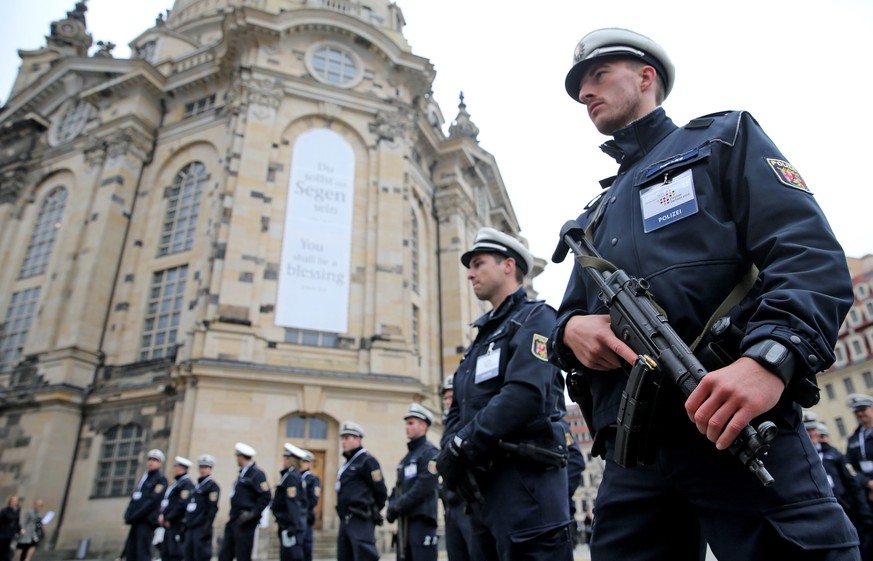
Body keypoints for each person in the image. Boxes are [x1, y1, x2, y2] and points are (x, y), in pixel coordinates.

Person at [550, 26, 859, 560]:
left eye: (598, 76)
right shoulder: (595, 216)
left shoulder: (721, 139)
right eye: (579, 87)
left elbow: (807, 255)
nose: (585, 94)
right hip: (634, 451)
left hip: (732, 416)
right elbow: (568, 317)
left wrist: (769, 359)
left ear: (647, 77)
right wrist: (571, 331)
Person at [436, 227, 575, 561]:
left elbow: (524, 395)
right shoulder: (479, 341)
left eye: (479, 263)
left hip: (527, 487)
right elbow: (458, 406)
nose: (470, 274)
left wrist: (461, 447)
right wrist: (452, 452)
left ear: (508, 265)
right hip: (484, 490)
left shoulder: (537, 318)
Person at [806, 419, 873, 560]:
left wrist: (865, 514)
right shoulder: (800, 457)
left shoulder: (833, 453)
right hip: (817, 511)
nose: (812, 433)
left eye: (813, 429)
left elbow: (852, 483)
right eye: (808, 430)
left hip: (844, 506)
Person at [386, 403, 440, 561]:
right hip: (405, 522)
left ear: (423, 426)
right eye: (406, 423)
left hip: (422, 521)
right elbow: (398, 487)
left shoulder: (430, 453)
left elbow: (424, 486)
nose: (406, 427)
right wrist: (391, 505)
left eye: (411, 423)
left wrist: (398, 505)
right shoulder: (407, 458)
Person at [335, 421, 388, 561]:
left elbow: (381, 491)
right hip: (345, 520)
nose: (343, 442)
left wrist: (371, 510)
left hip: (361, 519)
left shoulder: (367, 461)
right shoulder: (348, 463)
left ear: (357, 439)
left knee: (365, 556)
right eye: (342, 438)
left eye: (347, 438)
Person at [438, 375, 474, 561]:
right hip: (451, 507)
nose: (448, 402)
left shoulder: (470, 423)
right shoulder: (447, 428)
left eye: (452, 397)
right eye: (445, 398)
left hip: (469, 504)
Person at [217, 442, 271, 561]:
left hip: (246, 522)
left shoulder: (256, 474)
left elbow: (266, 496)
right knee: (224, 555)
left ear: (241, 457)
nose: (236, 459)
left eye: (237, 456)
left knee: (243, 555)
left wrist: (253, 513)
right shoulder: (242, 474)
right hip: (234, 519)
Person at [123, 449, 169, 561]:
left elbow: (152, 502)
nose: (151, 462)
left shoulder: (160, 480)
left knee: (142, 552)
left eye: (155, 460)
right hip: (136, 520)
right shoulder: (144, 478)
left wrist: (135, 515)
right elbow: (135, 498)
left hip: (146, 520)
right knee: (131, 551)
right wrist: (128, 514)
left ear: (160, 463)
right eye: (150, 459)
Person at [271, 443, 308, 561]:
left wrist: (292, 526)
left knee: (293, 556)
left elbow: (293, 502)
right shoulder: (289, 475)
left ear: (290, 460)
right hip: (287, 523)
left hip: (290, 525)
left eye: (286, 458)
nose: (284, 460)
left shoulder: (291, 476)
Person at [183, 454, 220, 561]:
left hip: (201, 526)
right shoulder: (196, 487)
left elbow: (212, 508)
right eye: (201, 467)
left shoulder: (212, 486)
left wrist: (207, 526)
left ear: (210, 469)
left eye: (206, 467)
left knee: (201, 556)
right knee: (189, 556)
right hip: (191, 526)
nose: (203, 470)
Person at [159, 457, 195, 561]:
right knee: (166, 552)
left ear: (180, 468)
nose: (174, 469)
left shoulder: (186, 484)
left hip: (176, 524)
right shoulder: (176, 483)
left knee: (175, 554)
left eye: (175, 466)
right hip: (169, 523)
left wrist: (168, 518)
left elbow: (181, 504)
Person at [300, 450, 321, 561]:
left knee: (306, 546)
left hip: (306, 516)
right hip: (295, 518)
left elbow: (314, 499)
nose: (301, 464)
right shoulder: (294, 477)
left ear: (308, 463)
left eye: (303, 462)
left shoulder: (312, 479)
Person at [0, 496, 23, 561]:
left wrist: (20, 530)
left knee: (8, 553)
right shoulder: (5, 511)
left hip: (11, 535)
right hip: (3, 535)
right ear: (10, 502)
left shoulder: (17, 511)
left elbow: (17, 523)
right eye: (13, 501)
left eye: (16, 501)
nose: (14, 503)